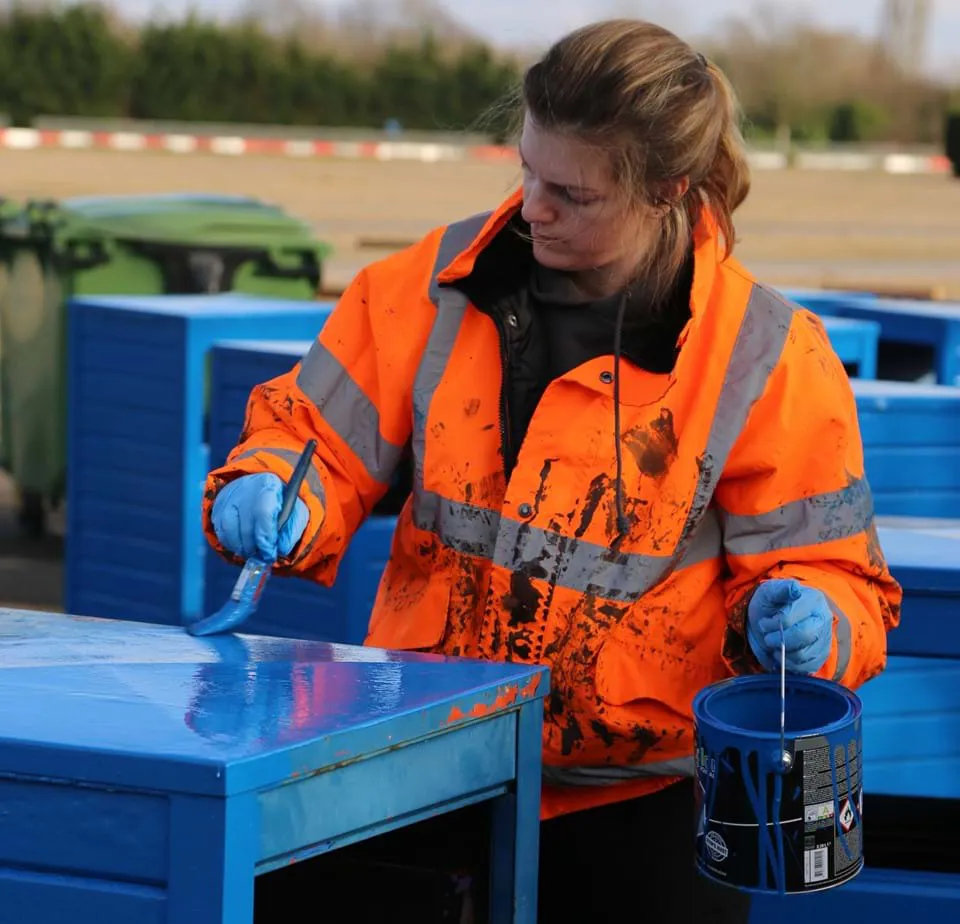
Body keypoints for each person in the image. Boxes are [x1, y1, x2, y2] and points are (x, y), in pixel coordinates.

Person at [202, 18, 902, 924]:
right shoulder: (430, 286)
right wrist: (269, 490)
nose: (532, 206)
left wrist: (817, 624)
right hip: (420, 767)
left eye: (570, 192)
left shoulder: (767, 356)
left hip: (640, 808)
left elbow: (840, 580)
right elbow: (316, 443)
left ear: (667, 192)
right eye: (526, 169)